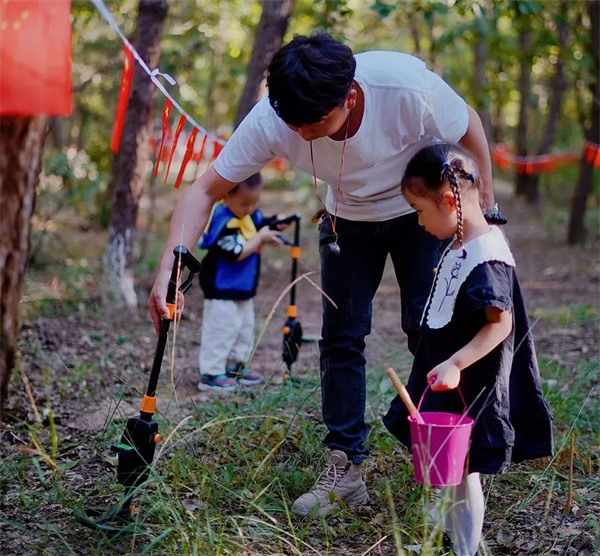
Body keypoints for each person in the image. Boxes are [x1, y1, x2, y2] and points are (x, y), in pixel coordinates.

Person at [148, 31, 496, 517]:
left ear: (349, 96)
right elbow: (203, 191)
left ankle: (450, 464)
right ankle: (345, 467)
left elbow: (470, 127)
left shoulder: (406, 89)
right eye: (294, 124)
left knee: (431, 329)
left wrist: (485, 210)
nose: (303, 135)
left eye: (315, 123)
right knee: (341, 338)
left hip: (420, 212)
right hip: (345, 221)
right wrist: (170, 262)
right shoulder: (275, 118)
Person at [383, 143, 553, 555]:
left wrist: (457, 363)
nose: (419, 223)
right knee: (447, 462)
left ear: (447, 200)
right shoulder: (460, 239)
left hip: (471, 383)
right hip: (447, 373)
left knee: (465, 467)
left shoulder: (487, 253)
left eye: (420, 211)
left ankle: (467, 546)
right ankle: (443, 519)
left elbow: (501, 324)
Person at [196, 173, 287, 391]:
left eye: (255, 203)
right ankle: (211, 372)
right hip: (221, 287)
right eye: (245, 203)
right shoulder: (222, 219)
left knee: (244, 329)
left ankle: (237, 366)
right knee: (221, 329)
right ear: (227, 195)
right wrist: (260, 238)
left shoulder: (248, 215)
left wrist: (275, 223)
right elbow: (234, 252)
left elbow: (260, 223)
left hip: (243, 287)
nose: (250, 209)